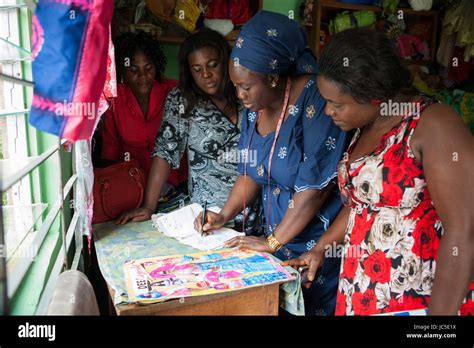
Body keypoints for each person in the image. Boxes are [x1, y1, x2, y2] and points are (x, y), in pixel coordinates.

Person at [284, 28, 474, 316]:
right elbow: (364, 203)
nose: (328, 112)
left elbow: (464, 229)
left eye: (337, 104)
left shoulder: (433, 124)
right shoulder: (366, 128)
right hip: (363, 292)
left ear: (372, 95)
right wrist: (321, 248)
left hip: (420, 298)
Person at [194, 11, 348, 315]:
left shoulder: (314, 98)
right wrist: (223, 216)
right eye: (236, 86)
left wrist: (272, 241)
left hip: (316, 247)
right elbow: (251, 172)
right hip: (276, 242)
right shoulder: (255, 106)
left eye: (245, 87)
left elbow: (314, 188)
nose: (239, 94)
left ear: (273, 77)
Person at [116, 29, 261, 234]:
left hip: (259, 211)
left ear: (227, 62)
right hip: (209, 216)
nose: (206, 75)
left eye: (213, 65)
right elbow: (165, 151)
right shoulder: (182, 100)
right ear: (189, 72)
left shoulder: (248, 93)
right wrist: (149, 206)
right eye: (197, 69)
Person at [100, 31, 187, 187]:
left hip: (177, 181)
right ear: (121, 70)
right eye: (134, 70)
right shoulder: (114, 99)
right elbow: (110, 149)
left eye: (148, 68)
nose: (143, 77)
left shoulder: (174, 92)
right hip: (134, 183)